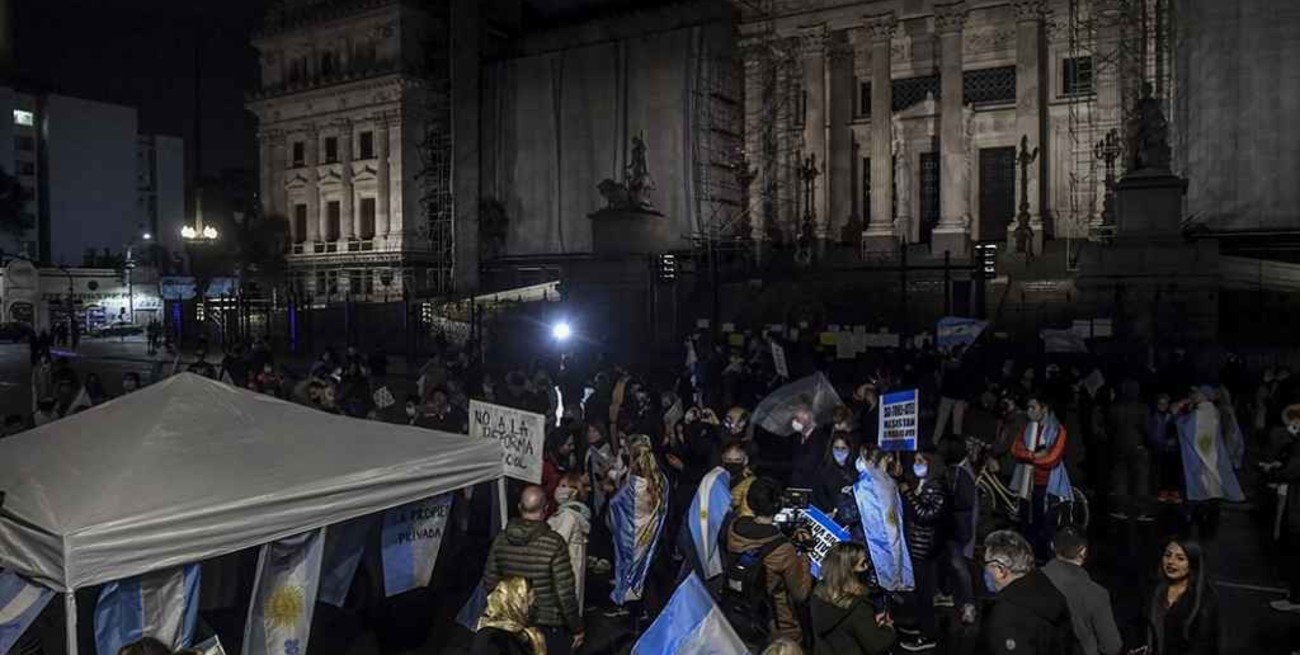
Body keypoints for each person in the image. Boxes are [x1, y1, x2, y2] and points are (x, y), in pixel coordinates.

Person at [481, 485, 584, 655]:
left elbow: (490, 582)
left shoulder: (500, 539)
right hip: (547, 626)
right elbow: (564, 592)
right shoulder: (554, 543)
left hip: (510, 625)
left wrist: (510, 608)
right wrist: (576, 627)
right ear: (546, 509)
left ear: (520, 507)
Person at [724, 477, 813, 644]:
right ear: (778, 504)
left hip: (740, 615)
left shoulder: (735, 527)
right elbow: (800, 593)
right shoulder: (782, 549)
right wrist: (804, 553)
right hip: (778, 627)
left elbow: (758, 535)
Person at [982, 529, 1075, 655]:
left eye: (986, 563)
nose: (984, 569)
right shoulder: (1048, 590)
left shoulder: (1005, 616)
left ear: (1000, 570)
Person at [1010, 395, 1073, 562]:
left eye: (1033, 408)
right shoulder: (1028, 427)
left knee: (1046, 529)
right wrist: (1035, 455)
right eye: (1028, 408)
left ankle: (1046, 564)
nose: (1029, 412)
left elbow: (1052, 459)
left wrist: (1028, 456)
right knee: (1027, 525)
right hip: (1028, 483)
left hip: (1048, 486)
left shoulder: (1058, 430)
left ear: (1044, 409)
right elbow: (1015, 449)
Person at [1041, 527, 1122, 655]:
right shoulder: (1096, 594)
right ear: (1083, 552)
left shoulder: (1031, 580)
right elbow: (1111, 647)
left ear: (1052, 546)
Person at [897, 450, 947, 652]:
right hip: (916, 547)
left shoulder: (936, 487)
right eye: (915, 461)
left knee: (925, 594)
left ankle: (928, 635)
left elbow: (926, 515)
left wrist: (908, 493)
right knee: (919, 592)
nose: (916, 465)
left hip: (925, 549)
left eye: (921, 461)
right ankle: (919, 626)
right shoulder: (922, 484)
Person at [810, 542, 896, 655]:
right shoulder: (857, 607)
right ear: (848, 572)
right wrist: (888, 629)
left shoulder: (818, 593)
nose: (867, 567)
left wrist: (869, 623)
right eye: (863, 564)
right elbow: (876, 645)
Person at [1143, 538, 1218, 655]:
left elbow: (1203, 647)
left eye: (1180, 558)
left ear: (1192, 564)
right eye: (1168, 555)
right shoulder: (1155, 591)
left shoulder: (1204, 602)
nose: (1171, 562)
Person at [940, 435, 979, 625]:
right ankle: (948, 593)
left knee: (959, 565)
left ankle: (968, 604)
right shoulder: (964, 470)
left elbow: (962, 503)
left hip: (955, 529)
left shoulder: (959, 474)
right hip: (959, 528)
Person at [1107, 379, 1152, 520]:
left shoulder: (1115, 407)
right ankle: (1141, 511)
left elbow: (1110, 428)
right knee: (1141, 480)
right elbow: (1147, 428)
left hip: (1119, 445)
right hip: (1138, 445)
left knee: (1121, 479)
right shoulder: (1142, 407)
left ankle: (1121, 510)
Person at [547, 473, 591, 614]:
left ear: (574, 491)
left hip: (565, 566)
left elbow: (556, 542)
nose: (559, 489)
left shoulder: (568, 516)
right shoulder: (571, 513)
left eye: (564, 486)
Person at [473, 577, 548, 655]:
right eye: (528, 602)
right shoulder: (490, 637)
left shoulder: (527, 637)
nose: (534, 607)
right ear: (513, 603)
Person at [811, 433, 859, 532]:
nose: (840, 452)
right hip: (831, 522)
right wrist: (825, 513)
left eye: (843, 448)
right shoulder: (823, 470)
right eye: (836, 448)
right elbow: (817, 496)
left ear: (849, 449)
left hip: (853, 524)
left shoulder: (856, 470)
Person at [1150, 394, 1182, 503]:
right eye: (1160, 403)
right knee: (1163, 470)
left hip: (1174, 449)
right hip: (1161, 448)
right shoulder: (1155, 417)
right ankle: (1163, 490)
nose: (1163, 406)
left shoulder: (1173, 415)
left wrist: (1175, 441)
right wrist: (1165, 442)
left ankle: (1173, 491)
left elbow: (1180, 430)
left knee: (1174, 469)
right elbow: (1153, 434)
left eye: (1165, 403)